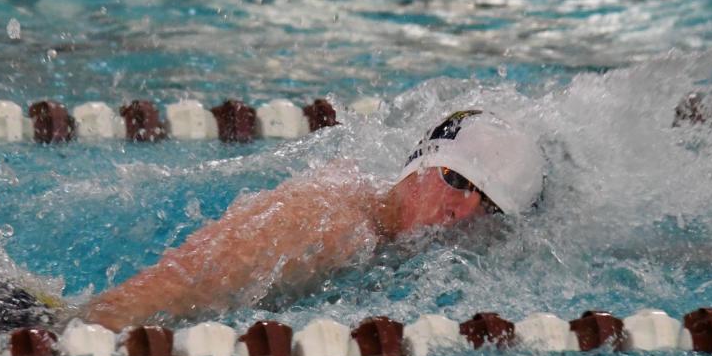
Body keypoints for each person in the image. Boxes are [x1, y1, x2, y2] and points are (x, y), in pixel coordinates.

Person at [83, 109, 545, 331]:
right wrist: (79, 327)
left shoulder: (387, 244)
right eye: (456, 180)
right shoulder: (330, 223)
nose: (460, 211)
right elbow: (176, 284)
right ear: (421, 163)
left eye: (487, 206)